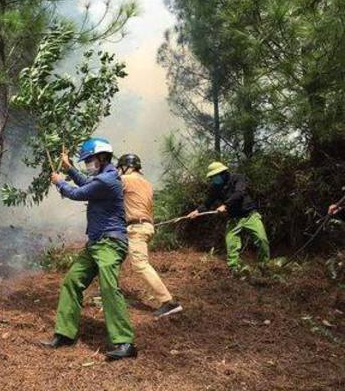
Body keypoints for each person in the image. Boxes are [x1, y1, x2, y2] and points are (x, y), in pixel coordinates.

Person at [41, 137, 136, 360]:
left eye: (90, 160)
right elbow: (85, 183)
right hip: (96, 244)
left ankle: (124, 343)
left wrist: (58, 181)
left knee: (109, 289)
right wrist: (70, 168)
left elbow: (78, 193)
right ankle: (64, 334)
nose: (88, 164)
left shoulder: (108, 180)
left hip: (110, 244)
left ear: (102, 158)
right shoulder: (102, 178)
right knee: (71, 281)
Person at [117, 153, 183, 318]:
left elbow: (104, 187)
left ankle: (168, 302)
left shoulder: (126, 180)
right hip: (144, 226)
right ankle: (109, 290)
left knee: (140, 264)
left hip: (136, 227)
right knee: (116, 254)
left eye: (120, 168)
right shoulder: (146, 183)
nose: (119, 171)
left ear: (127, 167)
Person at [187, 161, 270, 273]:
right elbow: (207, 203)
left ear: (223, 173)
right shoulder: (215, 188)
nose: (213, 179)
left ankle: (263, 265)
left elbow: (239, 193)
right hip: (233, 219)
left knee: (261, 239)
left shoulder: (238, 178)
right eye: (211, 177)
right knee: (231, 244)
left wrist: (225, 205)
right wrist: (196, 211)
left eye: (214, 176)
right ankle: (234, 270)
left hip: (250, 215)